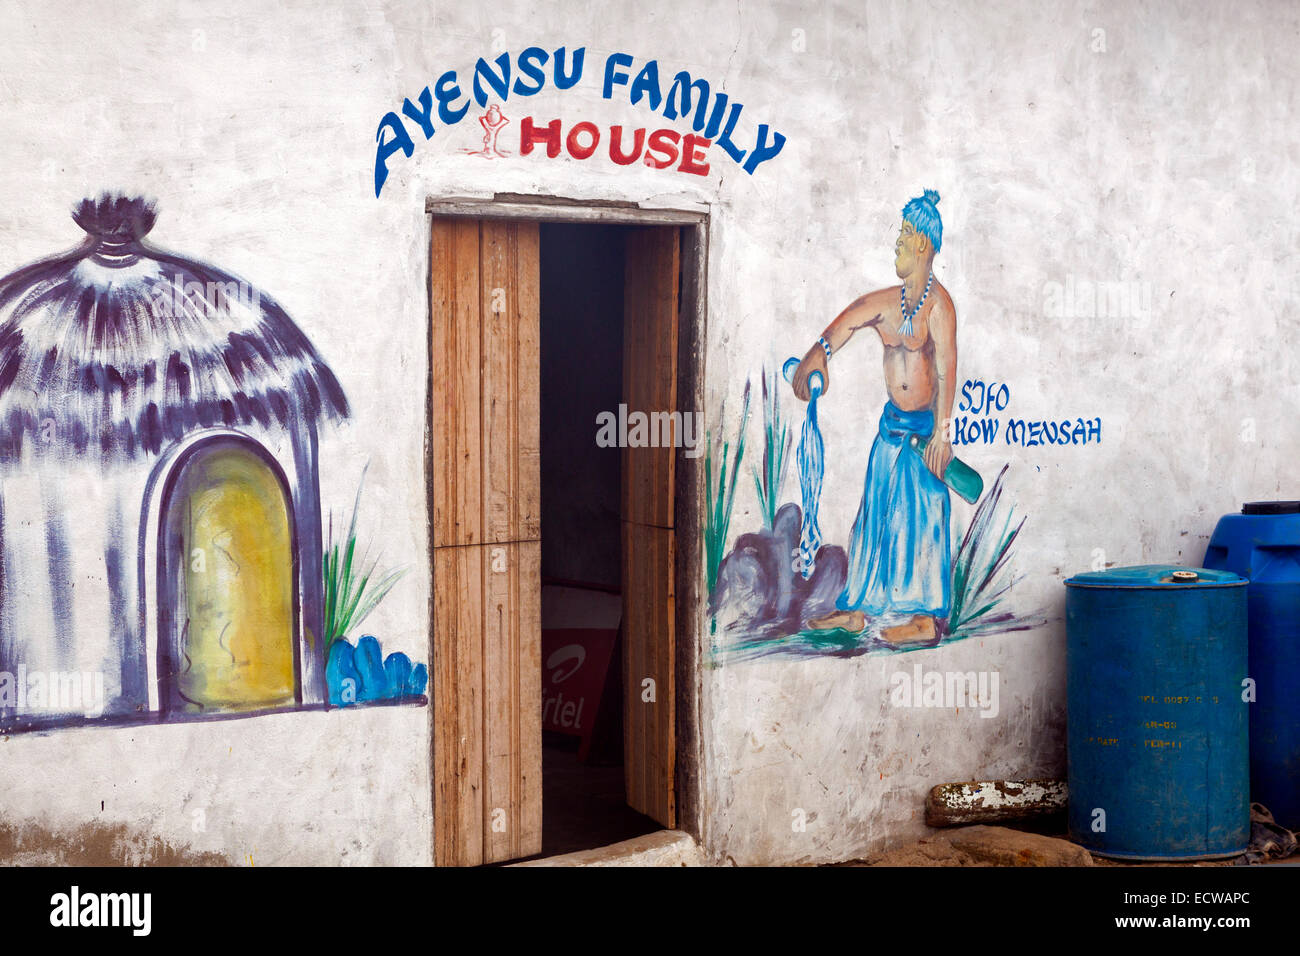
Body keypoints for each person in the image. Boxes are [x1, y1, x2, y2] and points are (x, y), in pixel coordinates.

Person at [790, 189, 956, 646]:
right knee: (875, 514)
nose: (897, 244)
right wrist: (818, 354)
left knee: (922, 519)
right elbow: (848, 321)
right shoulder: (889, 302)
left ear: (922, 243)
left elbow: (945, 369)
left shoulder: (939, 308)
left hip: (922, 436)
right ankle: (857, 609)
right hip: (889, 430)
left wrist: (943, 433)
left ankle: (924, 619)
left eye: (904, 235)